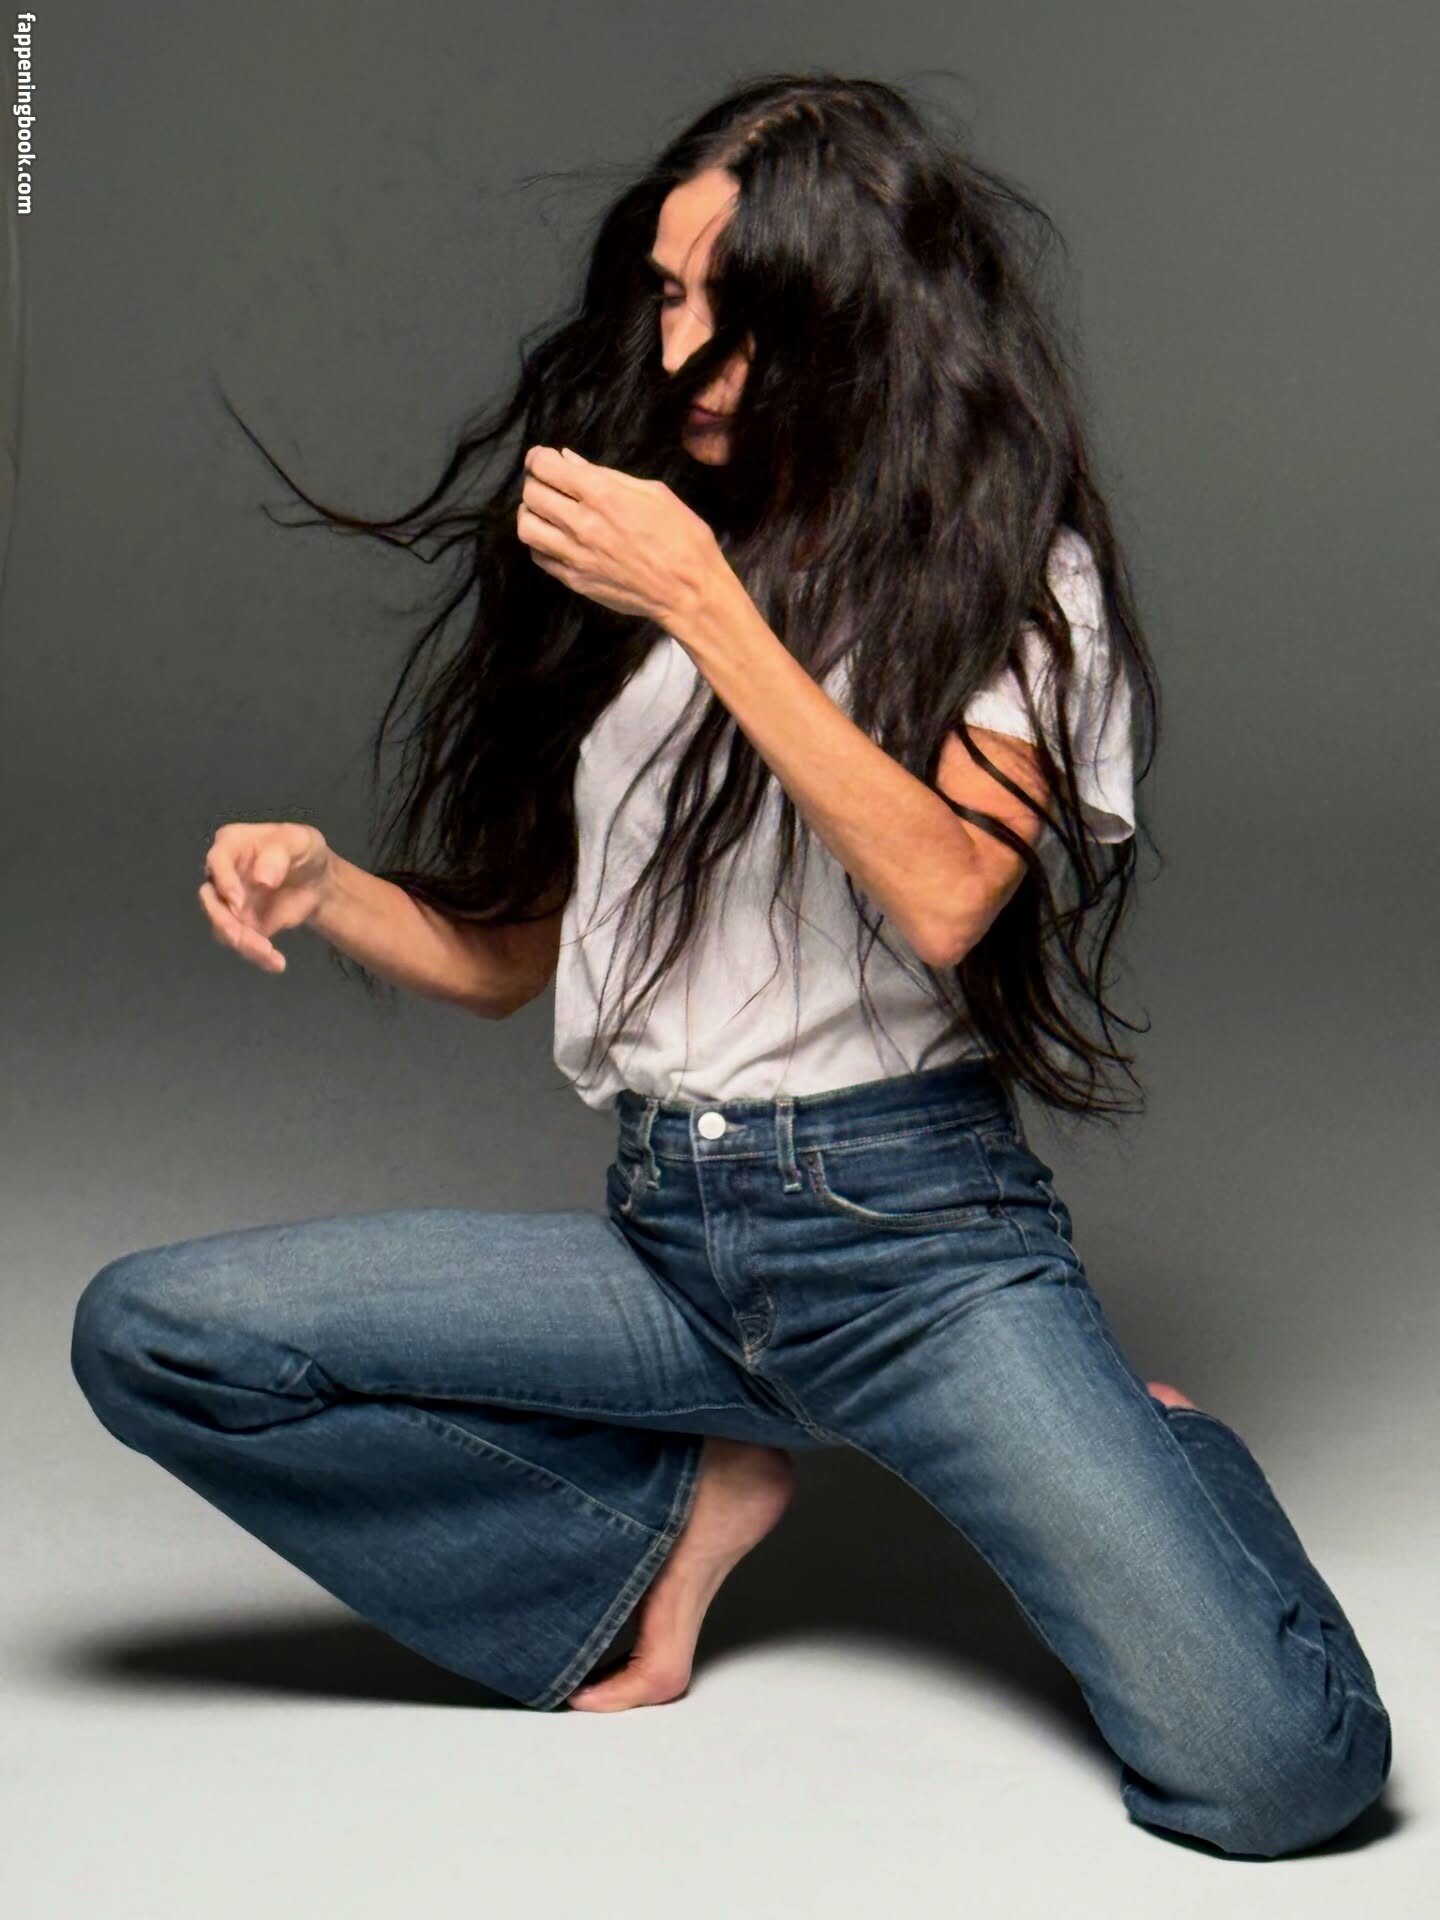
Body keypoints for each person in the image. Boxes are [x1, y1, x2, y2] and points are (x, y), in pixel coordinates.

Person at [70, 76, 1391, 1858]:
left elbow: (947, 892)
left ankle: (1166, 1457)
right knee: (154, 1336)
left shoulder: (1010, 575)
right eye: (669, 292)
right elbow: (513, 964)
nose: (678, 347)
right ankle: (663, 1523)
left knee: (1279, 1773)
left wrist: (706, 601)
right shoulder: (653, 559)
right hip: (670, 1243)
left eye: (731, 307)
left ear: (859, 320)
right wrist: (330, 888)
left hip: (916, 1259)